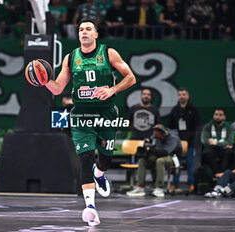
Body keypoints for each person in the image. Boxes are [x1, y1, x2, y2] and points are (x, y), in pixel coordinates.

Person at [44, 18, 136, 226]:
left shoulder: (109, 53)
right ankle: (90, 208)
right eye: (81, 30)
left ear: (95, 34)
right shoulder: (70, 58)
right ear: (78, 35)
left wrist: (112, 89)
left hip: (106, 114)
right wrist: (44, 81)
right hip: (81, 115)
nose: (84, 32)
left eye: (88, 29)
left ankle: (99, 174)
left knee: (105, 160)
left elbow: (131, 78)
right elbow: (58, 88)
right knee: (85, 157)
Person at [127, 124, 183, 197]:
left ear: (163, 133)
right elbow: (152, 145)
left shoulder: (173, 138)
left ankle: (160, 188)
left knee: (160, 161)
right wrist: (148, 142)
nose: (156, 137)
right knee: (142, 160)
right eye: (155, 134)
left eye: (158, 135)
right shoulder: (155, 136)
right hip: (159, 155)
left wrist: (151, 149)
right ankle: (140, 187)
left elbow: (165, 152)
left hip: (173, 157)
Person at [168, 87, 201, 192]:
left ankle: (191, 184)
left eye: (183, 94)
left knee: (190, 163)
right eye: (180, 94)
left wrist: (191, 137)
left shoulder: (193, 110)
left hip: (189, 142)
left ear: (187, 96)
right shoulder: (175, 110)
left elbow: (197, 125)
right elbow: (170, 125)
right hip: (177, 143)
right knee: (176, 163)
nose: (182, 96)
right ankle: (175, 184)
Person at [201, 107, 234, 177]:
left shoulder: (228, 127)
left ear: (224, 117)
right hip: (212, 149)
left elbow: (230, 141)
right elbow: (204, 141)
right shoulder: (207, 127)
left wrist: (216, 143)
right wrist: (223, 144)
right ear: (213, 116)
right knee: (206, 153)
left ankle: (222, 174)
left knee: (229, 152)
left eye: (220, 115)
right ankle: (218, 174)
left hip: (224, 150)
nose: (217, 117)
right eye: (216, 114)